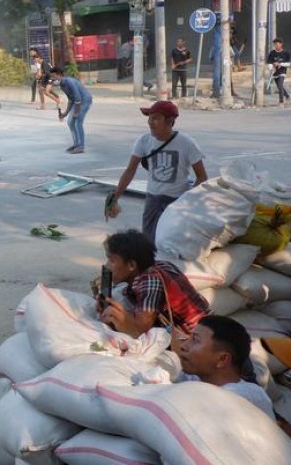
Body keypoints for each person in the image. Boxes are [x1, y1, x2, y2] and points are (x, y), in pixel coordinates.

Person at [107, 100, 207, 242]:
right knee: (149, 242)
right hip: (152, 200)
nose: (150, 122)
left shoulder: (187, 143)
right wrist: (115, 197)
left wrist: (187, 202)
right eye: (149, 118)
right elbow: (130, 171)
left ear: (170, 121)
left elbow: (202, 177)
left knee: (171, 242)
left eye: (155, 118)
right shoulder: (144, 141)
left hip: (177, 201)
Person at [97, 229, 210, 338]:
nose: (107, 266)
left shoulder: (150, 281)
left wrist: (117, 316)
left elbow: (139, 331)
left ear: (131, 265)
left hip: (194, 338)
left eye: (112, 260)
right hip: (205, 327)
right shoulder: (161, 265)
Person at [174, 315, 274, 419]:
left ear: (222, 359)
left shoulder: (245, 396)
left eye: (195, 340)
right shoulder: (194, 379)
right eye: (187, 338)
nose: (183, 346)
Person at [51, 66, 92, 154]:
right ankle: (76, 144)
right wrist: (65, 113)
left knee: (78, 122)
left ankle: (81, 147)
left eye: (54, 76)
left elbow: (78, 98)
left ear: (59, 75)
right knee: (70, 122)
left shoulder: (69, 81)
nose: (52, 79)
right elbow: (71, 99)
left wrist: (77, 112)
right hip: (77, 101)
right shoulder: (62, 85)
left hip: (84, 100)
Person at [267, 37, 291, 107]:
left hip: (282, 72)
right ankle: (287, 96)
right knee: (279, 87)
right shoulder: (272, 53)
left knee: (280, 85)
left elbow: (288, 64)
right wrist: (271, 68)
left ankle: (281, 102)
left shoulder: (286, 53)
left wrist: (280, 64)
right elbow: (269, 62)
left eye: (277, 44)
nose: (276, 46)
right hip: (274, 73)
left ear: (281, 44)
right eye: (275, 44)